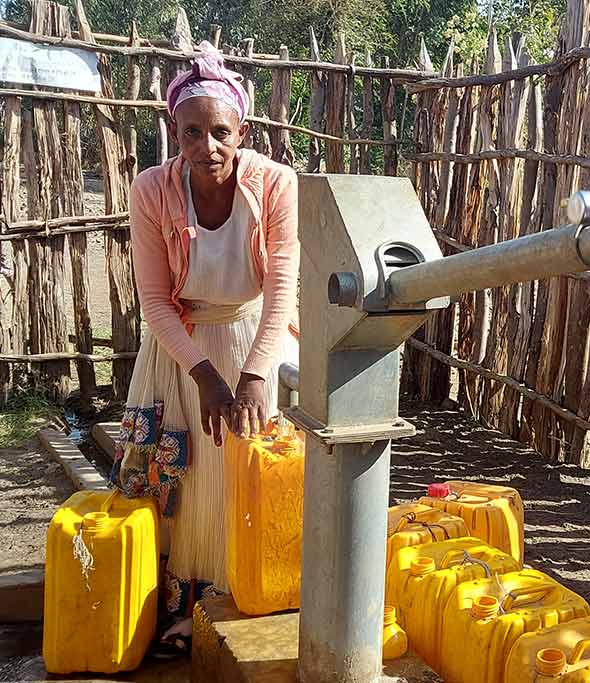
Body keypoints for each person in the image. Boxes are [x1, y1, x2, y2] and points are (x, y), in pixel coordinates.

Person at [109, 41, 299, 656]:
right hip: (180, 352)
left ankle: (242, 600)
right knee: (178, 482)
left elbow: (282, 290)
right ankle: (176, 613)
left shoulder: (275, 185)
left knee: (244, 478)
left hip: (253, 344)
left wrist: (252, 375)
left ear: (240, 130)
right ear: (174, 130)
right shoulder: (151, 191)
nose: (207, 147)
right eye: (192, 133)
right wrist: (203, 374)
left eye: (220, 131)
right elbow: (155, 300)